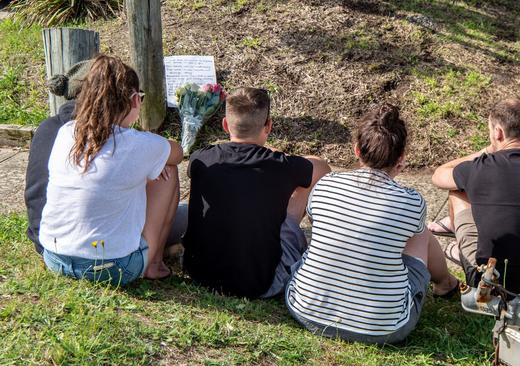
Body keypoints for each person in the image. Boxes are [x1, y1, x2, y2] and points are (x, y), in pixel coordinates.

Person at [285, 104, 459, 344]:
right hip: (383, 327)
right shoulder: (411, 202)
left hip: (304, 308)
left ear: (357, 150)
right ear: (401, 158)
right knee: (421, 232)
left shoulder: (325, 185)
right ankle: (446, 284)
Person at [39, 54, 183, 285]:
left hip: (54, 256)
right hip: (112, 268)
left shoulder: (67, 131)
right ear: (135, 100)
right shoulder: (141, 143)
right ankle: (153, 263)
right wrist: (153, 149)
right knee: (168, 168)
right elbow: (178, 153)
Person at [182, 87, 331, 299]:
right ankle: (289, 231)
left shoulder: (201, 158)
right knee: (305, 184)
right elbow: (323, 168)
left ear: (225, 124)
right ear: (268, 126)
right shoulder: (280, 165)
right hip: (262, 283)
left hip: (200, 275)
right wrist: (284, 157)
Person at [431, 98, 520, 300]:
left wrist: (486, 151)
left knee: (457, 192)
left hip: (490, 288)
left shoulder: (477, 169)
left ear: (497, 132)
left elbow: (439, 175)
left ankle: (462, 252)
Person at [25, 60, 91, 255]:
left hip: (43, 236)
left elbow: (35, 191)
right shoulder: (98, 133)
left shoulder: (47, 127)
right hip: (86, 245)